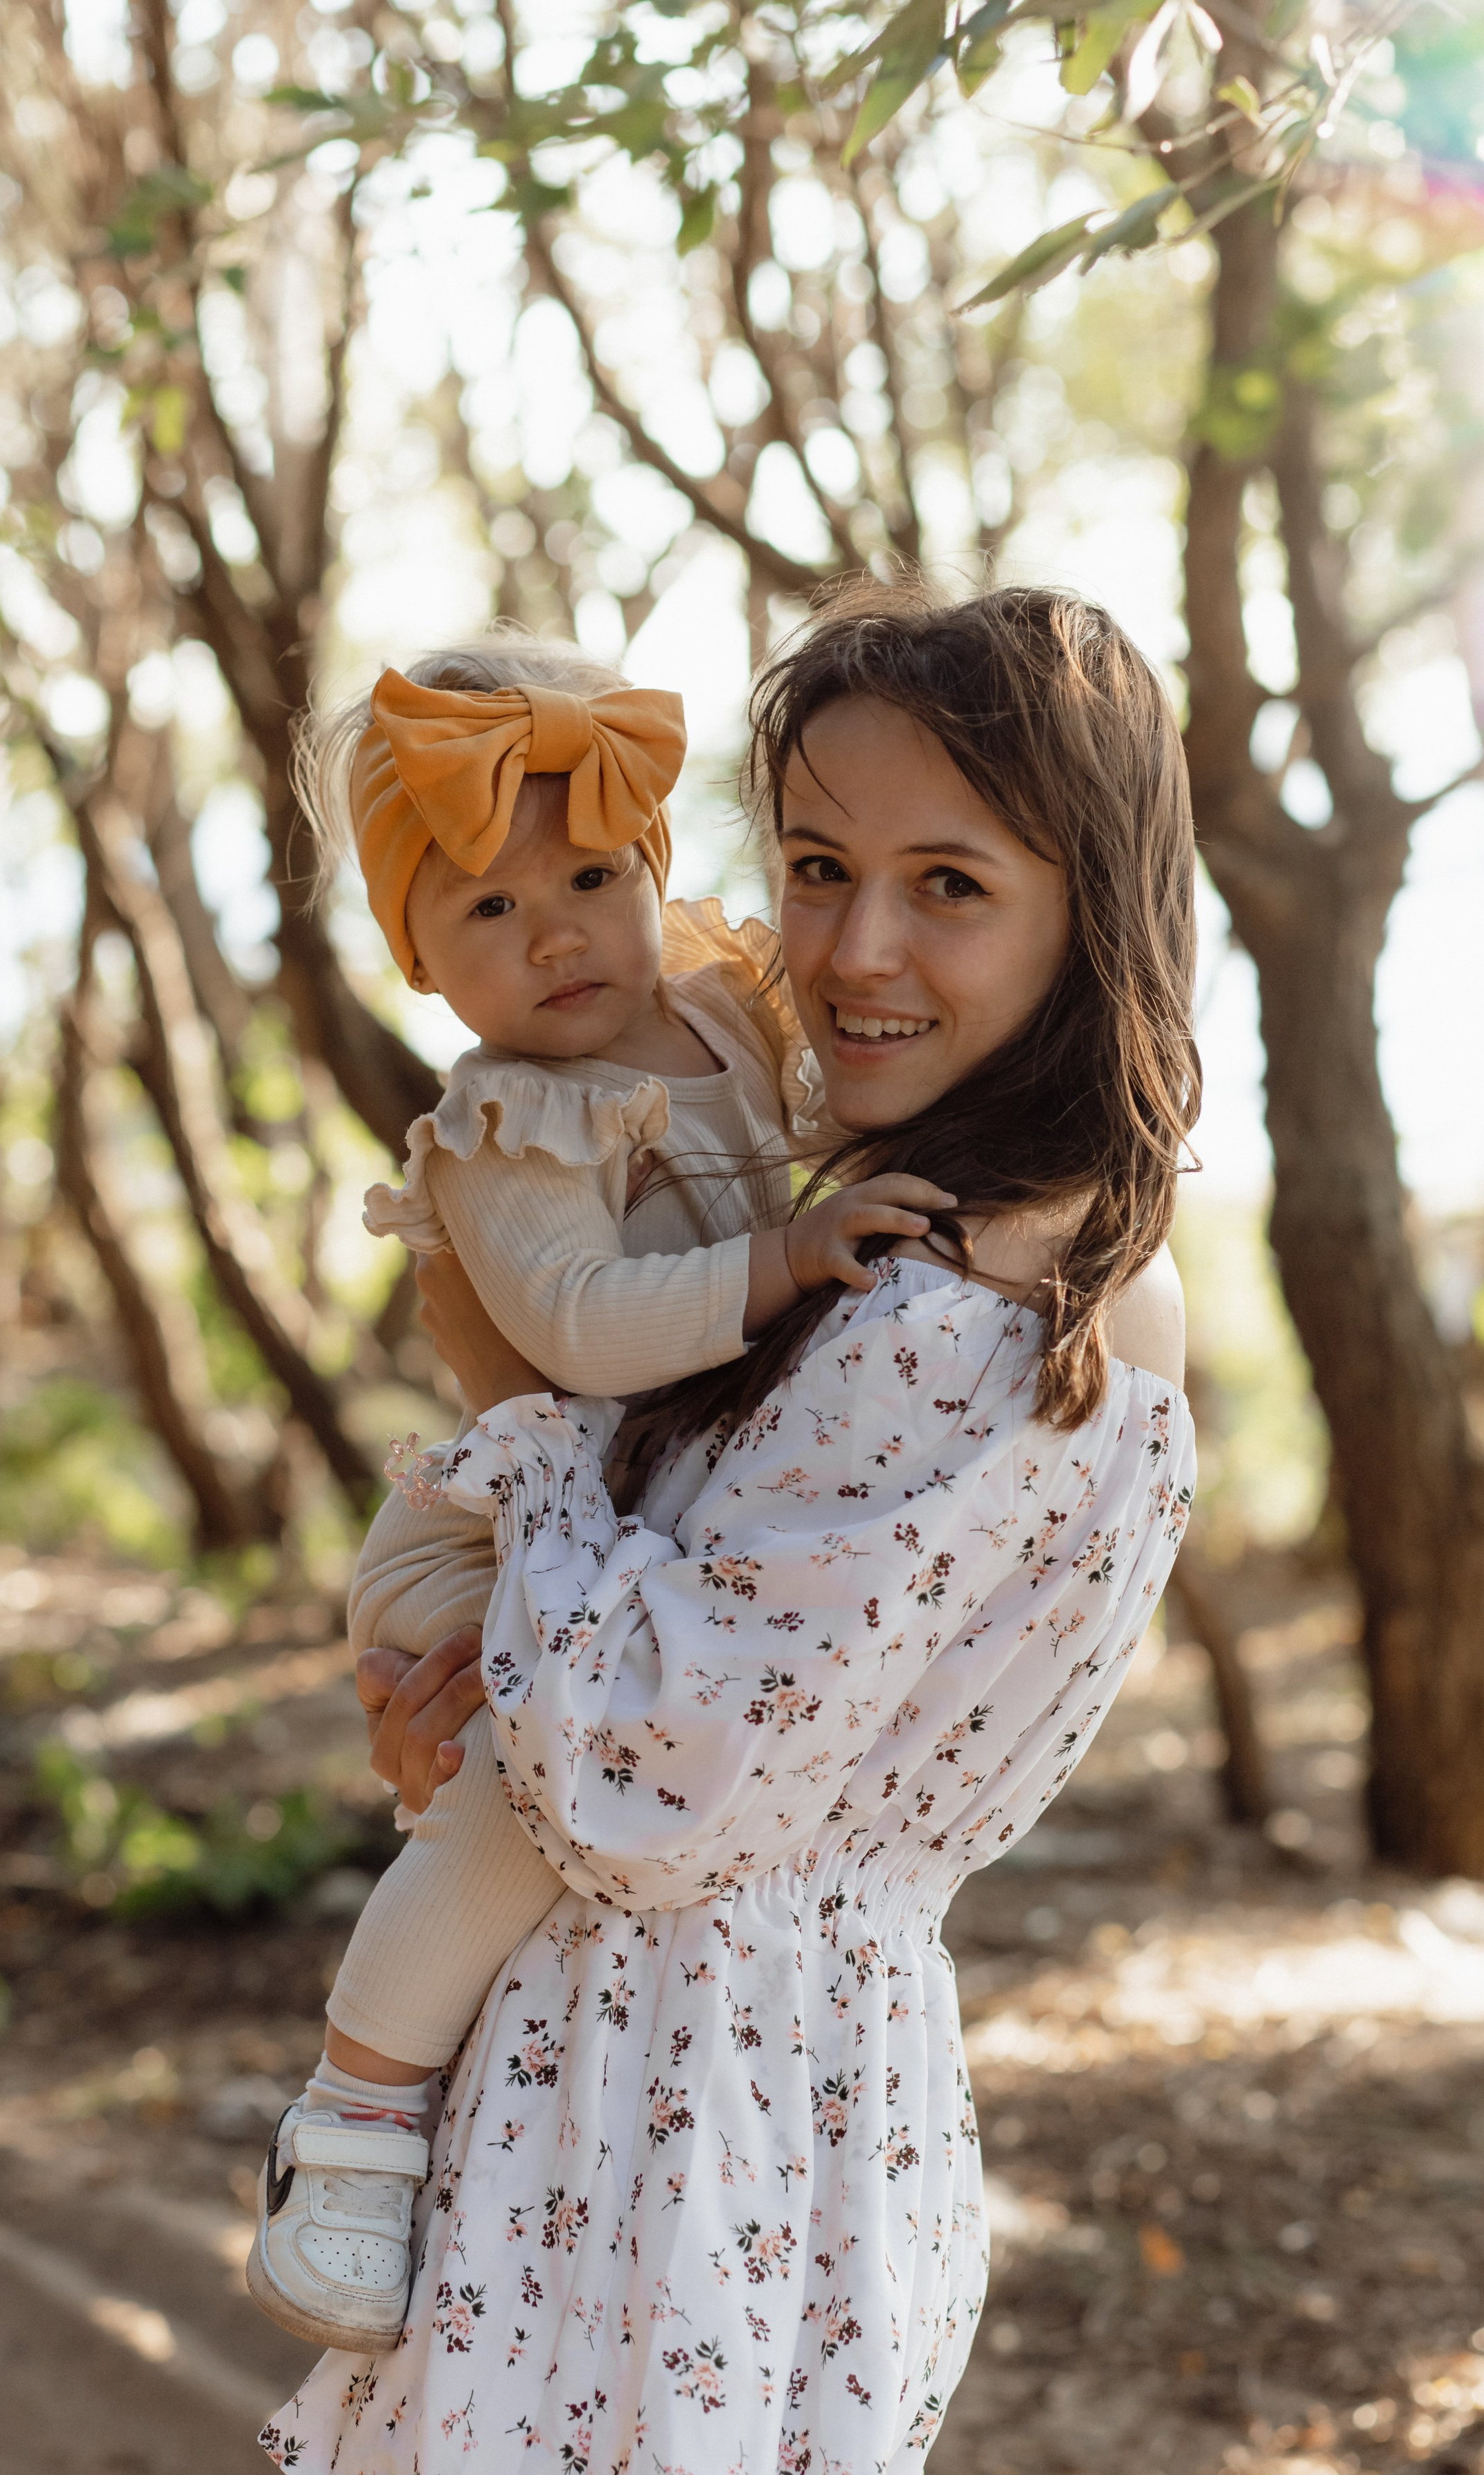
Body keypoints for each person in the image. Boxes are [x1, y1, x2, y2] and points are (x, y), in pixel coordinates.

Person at [262, 581, 1199, 2475]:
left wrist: (518, 1473)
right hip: (743, 2100)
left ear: (1091, 912)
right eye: (816, 868)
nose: (855, 951)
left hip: (668, 2129)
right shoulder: (947, 1238)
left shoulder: (964, 1314)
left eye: (948, 883)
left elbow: (640, 1772)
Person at [250, 633, 959, 2355]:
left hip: (634, 1531)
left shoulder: (731, 1003)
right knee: (521, 1774)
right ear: (416, 963)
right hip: (493, 1535)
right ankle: (352, 2113)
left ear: (653, 866)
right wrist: (786, 1255)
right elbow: (577, 1323)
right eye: (485, 909)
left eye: (584, 875)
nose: (553, 931)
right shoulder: (513, 1123)